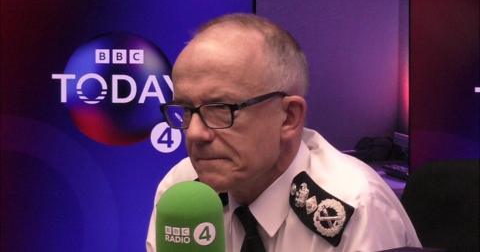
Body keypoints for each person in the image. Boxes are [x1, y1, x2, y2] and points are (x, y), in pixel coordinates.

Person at [146, 13, 421, 252]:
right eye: (184, 109)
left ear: (288, 117)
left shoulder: (356, 209)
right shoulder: (181, 190)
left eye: (220, 108)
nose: (194, 133)